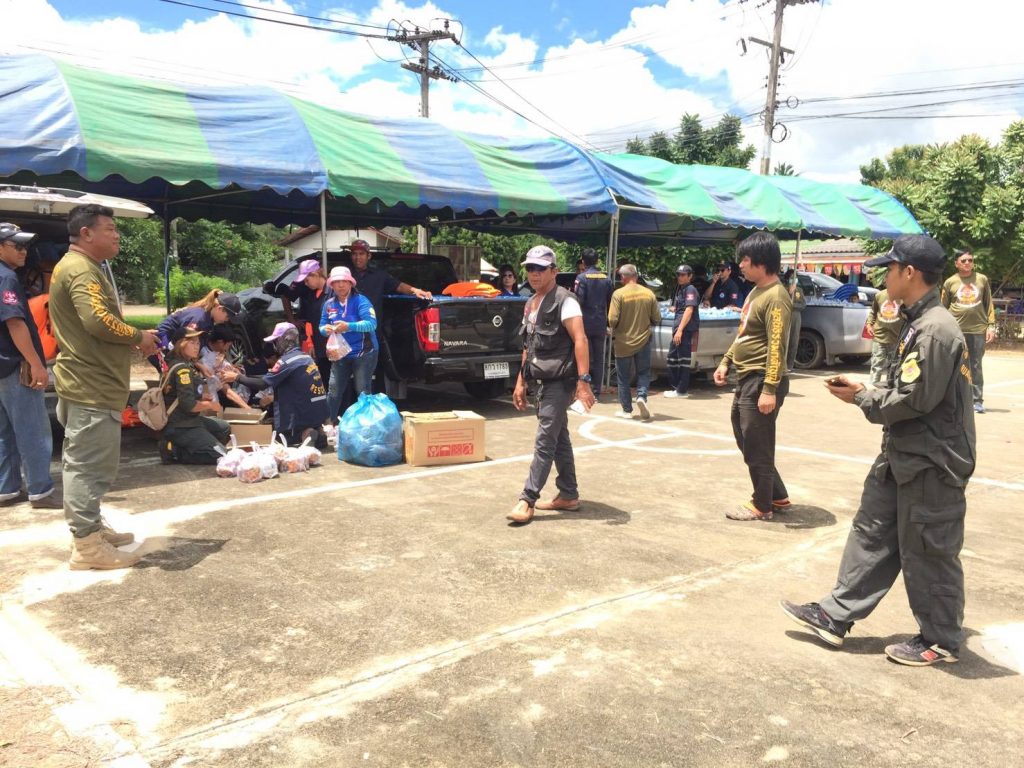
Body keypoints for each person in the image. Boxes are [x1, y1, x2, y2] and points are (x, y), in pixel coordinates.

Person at [781, 234, 975, 667]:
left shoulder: (935, 329)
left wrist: (862, 398)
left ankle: (941, 640)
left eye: (889, 268)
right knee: (872, 531)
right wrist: (866, 389)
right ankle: (835, 615)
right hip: (904, 453)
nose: (883, 276)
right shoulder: (918, 321)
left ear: (910, 272)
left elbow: (914, 399)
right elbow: (909, 386)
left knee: (928, 549)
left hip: (932, 462)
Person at [48, 204, 160, 570]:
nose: (116, 235)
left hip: (88, 382)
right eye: (109, 228)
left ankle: (92, 530)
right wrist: (139, 337)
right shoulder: (81, 269)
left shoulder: (80, 266)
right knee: (88, 466)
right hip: (90, 385)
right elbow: (97, 321)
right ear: (86, 233)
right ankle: (87, 547)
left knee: (89, 463)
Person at [508, 245, 595, 524]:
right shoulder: (530, 303)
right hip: (540, 381)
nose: (534, 274)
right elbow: (528, 346)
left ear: (554, 271)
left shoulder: (565, 301)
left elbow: (580, 339)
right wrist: (520, 382)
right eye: (530, 268)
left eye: (540, 269)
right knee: (559, 438)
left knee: (545, 440)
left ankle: (527, 499)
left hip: (561, 381)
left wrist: (583, 382)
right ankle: (568, 494)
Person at [713, 232, 792, 522]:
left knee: (757, 443)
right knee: (745, 437)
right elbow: (744, 334)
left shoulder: (776, 297)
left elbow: (776, 345)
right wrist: (726, 361)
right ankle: (777, 495)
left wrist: (769, 388)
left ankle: (762, 505)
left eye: (745, 260)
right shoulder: (756, 291)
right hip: (747, 378)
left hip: (761, 380)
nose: (741, 265)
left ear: (761, 261)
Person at [0, 223, 60, 509]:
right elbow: (14, 323)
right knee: (33, 430)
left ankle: (7, 489)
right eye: (17, 246)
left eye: (25, 246)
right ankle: (41, 491)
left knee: (4, 433)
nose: (24, 251)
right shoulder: (7, 278)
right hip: (14, 366)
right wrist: (36, 363)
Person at [234, 322, 329, 448]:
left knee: (281, 437)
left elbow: (262, 384)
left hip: (300, 413)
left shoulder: (286, 361)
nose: (275, 345)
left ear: (285, 340)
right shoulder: (306, 357)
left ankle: (306, 433)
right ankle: (318, 432)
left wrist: (237, 377)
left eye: (276, 341)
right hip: (318, 411)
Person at [158, 327, 231, 464]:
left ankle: (199, 444)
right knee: (220, 455)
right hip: (180, 424)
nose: (196, 346)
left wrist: (202, 397)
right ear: (181, 344)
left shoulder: (183, 363)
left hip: (189, 419)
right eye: (192, 343)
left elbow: (178, 394)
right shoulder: (182, 369)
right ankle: (174, 451)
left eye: (198, 343)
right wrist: (210, 405)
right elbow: (188, 405)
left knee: (223, 428)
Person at [320, 266, 378, 423]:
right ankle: (328, 425)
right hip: (340, 354)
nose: (340, 285)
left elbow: (371, 324)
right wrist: (325, 330)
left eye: (344, 281)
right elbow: (322, 325)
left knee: (362, 391)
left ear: (351, 283)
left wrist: (348, 326)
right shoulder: (329, 304)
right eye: (336, 282)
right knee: (333, 391)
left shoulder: (361, 301)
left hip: (364, 352)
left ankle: (366, 425)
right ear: (331, 285)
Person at [941, 250, 996, 413]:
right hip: (955, 330)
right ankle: (952, 399)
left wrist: (991, 325)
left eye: (970, 260)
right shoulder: (950, 282)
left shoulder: (982, 279)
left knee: (976, 365)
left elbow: (988, 303)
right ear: (956, 263)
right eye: (963, 260)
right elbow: (943, 307)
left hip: (978, 330)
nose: (967, 263)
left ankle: (977, 400)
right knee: (953, 364)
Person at [608, 264, 661, 420]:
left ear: (623, 277)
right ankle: (642, 396)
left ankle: (626, 410)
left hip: (623, 342)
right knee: (643, 373)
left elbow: (612, 319)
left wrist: (614, 327)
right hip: (643, 340)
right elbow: (657, 318)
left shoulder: (618, 294)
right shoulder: (648, 293)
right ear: (636, 276)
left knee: (623, 377)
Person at [280, 258, 332, 387]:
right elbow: (310, 321)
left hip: (333, 347)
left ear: (315, 274)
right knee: (322, 380)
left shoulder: (333, 292)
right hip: (318, 345)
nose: (305, 283)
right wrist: (310, 342)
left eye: (307, 280)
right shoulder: (312, 295)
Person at [572, 248, 612, 398]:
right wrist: (608, 323)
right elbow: (610, 303)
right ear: (597, 261)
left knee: (584, 357)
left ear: (583, 262)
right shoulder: (607, 279)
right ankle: (596, 391)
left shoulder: (581, 278)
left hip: (584, 323)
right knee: (599, 358)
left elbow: (578, 301)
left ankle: (584, 389)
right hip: (600, 323)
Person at [156, 289, 243, 356]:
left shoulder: (208, 317)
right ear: (220, 309)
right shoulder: (199, 319)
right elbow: (184, 345)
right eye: (227, 316)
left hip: (173, 343)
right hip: (161, 343)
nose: (227, 320)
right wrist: (198, 364)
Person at [665, 264, 701, 398]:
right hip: (679, 329)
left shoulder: (690, 289)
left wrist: (680, 330)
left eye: (683, 275)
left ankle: (681, 390)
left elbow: (689, 310)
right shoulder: (681, 289)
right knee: (673, 358)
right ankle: (676, 388)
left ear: (690, 276)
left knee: (682, 360)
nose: (680, 277)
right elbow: (683, 308)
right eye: (678, 274)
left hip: (684, 330)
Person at [865, 287, 902, 387]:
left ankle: (889, 390)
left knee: (894, 367)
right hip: (879, 337)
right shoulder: (879, 295)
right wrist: (869, 324)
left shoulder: (903, 295)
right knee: (876, 366)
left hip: (896, 338)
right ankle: (873, 390)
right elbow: (873, 312)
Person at [783, 268, 806, 373]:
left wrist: (793, 305)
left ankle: (790, 365)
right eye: (792, 277)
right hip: (785, 315)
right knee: (784, 340)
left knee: (794, 340)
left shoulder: (799, 290)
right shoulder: (783, 289)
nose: (794, 279)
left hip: (796, 316)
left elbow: (803, 304)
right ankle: (781, 364)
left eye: (795, 277)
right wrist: (789, 293)